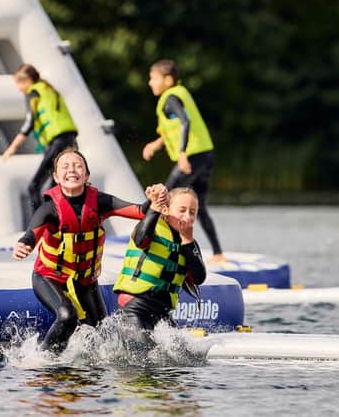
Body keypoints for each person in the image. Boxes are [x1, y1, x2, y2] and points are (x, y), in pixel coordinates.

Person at [12, 147, 165, 354]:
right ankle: (44, 361)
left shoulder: (100, 202)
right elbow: (31, 234)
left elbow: (139, 211)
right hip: (49, 278)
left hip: (85, 281)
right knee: (67, 316)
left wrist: (154, 199)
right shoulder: (49, 209)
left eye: (77, 166)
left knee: (101, 334)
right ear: (56, 177)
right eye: (65, 167)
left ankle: (82, 373)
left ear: (86, 175)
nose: (72, 170)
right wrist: (24, 245)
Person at [142, 59, 225, 263]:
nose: (150, 83)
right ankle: (218, 253)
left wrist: (181, 153)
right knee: (200, 206)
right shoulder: (179, 94)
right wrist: (156, 143)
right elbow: (175, 127)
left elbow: (185, 122)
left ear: (168, 80)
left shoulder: (170, 97)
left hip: (192, 156)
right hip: (206, 154)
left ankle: (149, 241)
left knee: (163, 196)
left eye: (153, 78)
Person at [113, 186, 206, 347]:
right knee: (142, 362)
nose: (187, 216)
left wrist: (188, 242)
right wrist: (154, 208)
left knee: (182, 361)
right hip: (135, 308)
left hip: (162, 314)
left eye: (192, 212)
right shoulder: (152, 227)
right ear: (165, 210)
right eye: (182, 210)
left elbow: (199, 277)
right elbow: (141, 239)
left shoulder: (189, 243)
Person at [3, 64, 78, 211]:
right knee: (55, 192)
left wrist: (12, 147)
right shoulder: (49, 89)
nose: (18, 89)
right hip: (70, 142)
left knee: (33, 187)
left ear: (26, 81)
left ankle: (39, 228)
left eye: (18, 84)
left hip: (58, 144)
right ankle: (56, 225)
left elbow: (29, 122)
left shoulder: (33, 92)